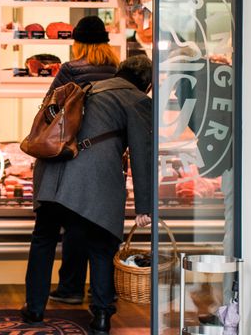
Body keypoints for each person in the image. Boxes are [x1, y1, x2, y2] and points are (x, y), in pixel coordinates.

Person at [22, 55, 155, 335]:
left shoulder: (89, 88)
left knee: (44, 239)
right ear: (148, 84)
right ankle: (102, 316)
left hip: (52, 173)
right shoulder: (137, 100)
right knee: (101, 244)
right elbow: (143, 155)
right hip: (93, 181)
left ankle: (34, 308)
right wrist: (145, 206)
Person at [44, 15, 120, 305]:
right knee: (102, 225)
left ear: (77, 42)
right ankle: (102, 291)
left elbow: (50, 106)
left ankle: (71, 287)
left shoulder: (71, 69)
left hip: (76, 153)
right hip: (108, 154)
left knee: (75, 222)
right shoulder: (115, 69)